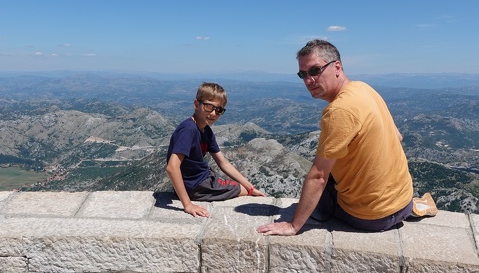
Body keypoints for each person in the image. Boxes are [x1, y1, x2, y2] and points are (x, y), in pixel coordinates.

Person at [257, 39, 414, 235]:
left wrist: (293, 225)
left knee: (320, 180)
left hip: (371, 217)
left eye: (315, 71)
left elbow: (319, 177)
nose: (308, 80)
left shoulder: (339, 111)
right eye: (302, 74)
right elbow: (397, 137)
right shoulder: (364, 88)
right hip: (404, 204)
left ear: (337, 67)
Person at [166, 82, 265, 218]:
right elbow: (172, 167)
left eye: (218, 110)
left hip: (202, 180)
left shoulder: (206, 131)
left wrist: (251, 187)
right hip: (197, 185)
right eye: (208, 106)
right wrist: (187, 205)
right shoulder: (188, 130)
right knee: (243, 190)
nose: (213, 113)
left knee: (246, 188)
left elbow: (223, 163)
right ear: (196, 104)